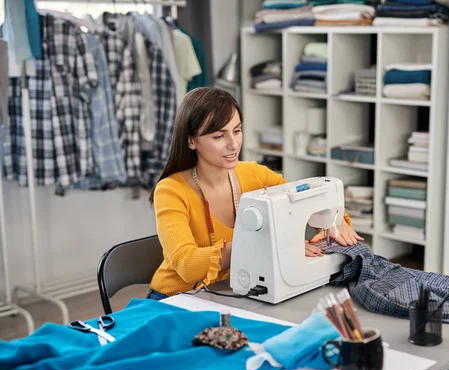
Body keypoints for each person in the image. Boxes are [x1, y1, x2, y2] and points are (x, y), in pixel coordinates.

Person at [147, 88, 363, 300]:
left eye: (237, 130)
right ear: (191, 140)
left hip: (232, 293)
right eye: (219, 136)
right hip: (174, 299)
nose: (233, 144)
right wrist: (275, 246)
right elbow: (187, 265)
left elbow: (301, 202)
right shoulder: (171, 190)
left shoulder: (254, 174)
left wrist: (334, 221)